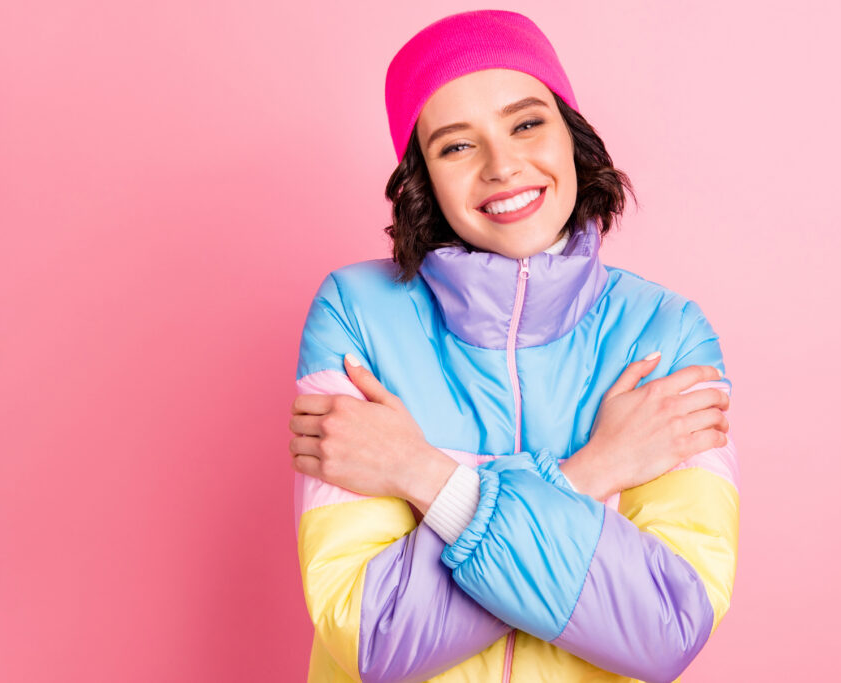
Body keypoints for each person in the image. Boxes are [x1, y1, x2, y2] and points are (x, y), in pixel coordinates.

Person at [287, 10, 740, 683]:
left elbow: (665, 625)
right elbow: (373, 636)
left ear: (572, 135)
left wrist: (423, 475)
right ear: (422, 177)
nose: (503, 166)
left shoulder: (667, 333)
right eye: (456, 146)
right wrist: (597, 472)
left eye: (527, 123)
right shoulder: (356, 317)